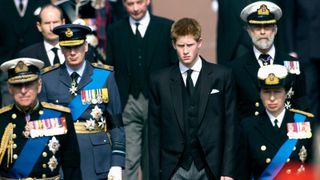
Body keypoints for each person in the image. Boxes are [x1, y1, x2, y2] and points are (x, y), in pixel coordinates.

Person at [148, 17, 237, 180]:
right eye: (181, 46)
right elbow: (154, 132)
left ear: (200, 43)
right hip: (173, 167)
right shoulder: (159, 81)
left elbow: (230, 126)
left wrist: (228, 170)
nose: (185, 51)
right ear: (174, 45)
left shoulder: (222, 76)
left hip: (211, 166)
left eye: (190, 45)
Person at [40, 24, 125, 180]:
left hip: (98, 160)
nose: (72, 52)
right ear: (61, 49)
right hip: (61, 160)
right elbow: (42, 125)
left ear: (85, 46)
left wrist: (117, 163)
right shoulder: (47, 79)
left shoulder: (104, 76)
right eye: (67, 48)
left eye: (77, 46)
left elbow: (116, 123)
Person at [106, 0, 177, 179]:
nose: (135, 8)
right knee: (128, 159)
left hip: (157, 102)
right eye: (130, 3)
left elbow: (173, 68)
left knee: (154, 157)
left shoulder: (166, 27)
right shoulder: (114, 30)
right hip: (127, 102)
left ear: (148, 1)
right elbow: (111, 69)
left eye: (139, 2)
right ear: (123, 4)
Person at [0, 57, 81, 179]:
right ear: (10, 89)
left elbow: (72, 167)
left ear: (39, 85)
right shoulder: (2, 119)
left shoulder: (60, 116)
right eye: (17, 85)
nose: (23, 91)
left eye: (28, 84)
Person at [230, 1, 308, 119]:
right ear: (249, 31)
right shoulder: (235, 69)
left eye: (267, 26)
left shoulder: (294, 65)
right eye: (257, 27)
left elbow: (302, 109)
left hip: (286, 135)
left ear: (275, 30)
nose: (262, 32)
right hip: (251, 136)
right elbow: (232, 115)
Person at [240, 64, 315, 179]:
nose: (272, 98)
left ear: (286, 93)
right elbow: (243, 171)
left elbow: (312, 165)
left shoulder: (303, 122)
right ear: (260, 94)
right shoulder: (248, 126)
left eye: (277, 92)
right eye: (266, 92)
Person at [0, 0, 50, 107]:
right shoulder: (2, 3)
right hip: (6, 67)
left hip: (36, 63)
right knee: (8, 111)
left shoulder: (43, 1)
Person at [284, 0, 320, 118]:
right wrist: (291, 50)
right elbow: (289, 20)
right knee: (308, 93)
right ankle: (308, 133)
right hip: (305, 50)